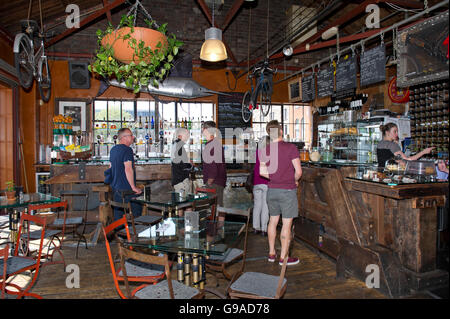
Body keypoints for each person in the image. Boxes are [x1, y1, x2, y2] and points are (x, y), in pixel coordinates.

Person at [259, 120, 302, 266]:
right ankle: (283, 258)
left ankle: (271, 253)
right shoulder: (291, 148)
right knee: (286, 224)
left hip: (272, 190)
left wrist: (275, 178)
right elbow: (299, 172)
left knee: (272, 221)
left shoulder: (265, 150)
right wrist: (293, 180)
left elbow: (262, 172)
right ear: (281, 131)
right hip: (287, 191)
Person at [109, 128, 142, 221]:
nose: (133, 137)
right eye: (130, 135)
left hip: (116, 188)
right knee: (137, 213)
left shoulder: (113, 149)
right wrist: (133, 187)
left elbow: (110, 167)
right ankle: (135, 233)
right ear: (123, 137)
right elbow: (128, 169)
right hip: (126, 189)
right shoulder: (127, 150)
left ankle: (119, 234)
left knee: (118, 216)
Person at [201, 121, 227, 219]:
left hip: (214, 181)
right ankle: (219, 230)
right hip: (218, 180)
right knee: (219, 207)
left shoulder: (211, 145)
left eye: (203, 129)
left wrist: (209, 181)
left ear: (206, 130)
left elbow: (213, 166)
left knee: (214, 208)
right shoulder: (215, 143)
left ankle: (216, 231)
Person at [171, 127, 193, 216]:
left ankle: (181, 226)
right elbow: (182, 165)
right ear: (180, 136)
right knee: (187, 204)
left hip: (177, 179)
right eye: (187, 135)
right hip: (181, 180)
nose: (188, 136)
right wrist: (190, 165)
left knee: (181, 205)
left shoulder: (175, 145)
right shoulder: (179, 146)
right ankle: (188, 226)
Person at [252, 135, 270, 236]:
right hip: (266, 182)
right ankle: (264, 229)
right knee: (265, 207)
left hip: (256, 182)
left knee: (257, 206)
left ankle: (255, 228)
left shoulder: (257, 153)